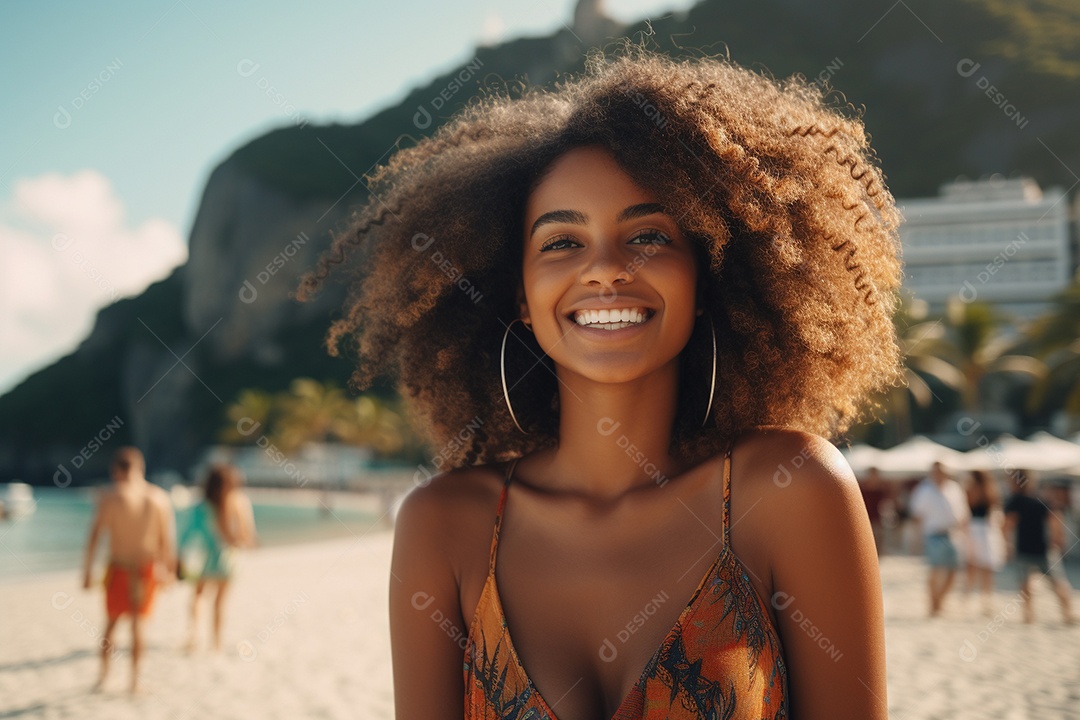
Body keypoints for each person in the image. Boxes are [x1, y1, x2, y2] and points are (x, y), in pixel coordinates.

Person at [297, 40, 902, 718]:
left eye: (648, 236)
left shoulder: (792, 491)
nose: (607, 268)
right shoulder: (443, 527)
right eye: (562, 242)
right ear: (521, 297)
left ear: (704, 279)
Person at [81, 446, 176, 693]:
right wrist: (168, 572)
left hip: (119, 568)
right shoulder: (159, 498)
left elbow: (95, 536)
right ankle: (135, 681)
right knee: (139, 626)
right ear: (140, 468)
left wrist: (87, 571)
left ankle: (103, 678)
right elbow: (166, 542)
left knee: (111, 624)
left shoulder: (111, 496)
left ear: (116, 470)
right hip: (146, 570)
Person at [178, 464, 257, 652]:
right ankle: (216, 643)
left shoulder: (202, 505)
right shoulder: (240, 502)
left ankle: (194, 635)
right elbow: (247, 536)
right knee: (220, 604)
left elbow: (187, 534)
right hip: (229, 559)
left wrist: (179, 556)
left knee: (198, 596)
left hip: (205, 558)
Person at [1003, 469, 1074, 625]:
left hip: (1025, 548)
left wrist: (1006, 544)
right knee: (1057, 582)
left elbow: (1007, 524)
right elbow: (1055, 518)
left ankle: (1028, 616)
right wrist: (1057, 539)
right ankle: (1068, 614)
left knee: (1025, 583)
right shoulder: (1040, 498)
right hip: (1044, 547)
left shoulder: (1016, 501)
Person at [909, 461, 970, 617]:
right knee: (935, 570)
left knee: (953, 570)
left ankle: (939, 601)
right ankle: (933, 605)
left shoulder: (954, 488)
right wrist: (916, 539)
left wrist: (965, 534)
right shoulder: (925, 489)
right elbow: (917, 515)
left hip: (952, 533)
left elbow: (963, 511)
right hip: (933, 534)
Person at [961, 469, 1006, 617]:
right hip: (986, 530)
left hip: (976, 529)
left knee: (973, 567)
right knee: (984, 569)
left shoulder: (972, 490)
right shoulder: (991, 490)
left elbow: (966, 509)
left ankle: (969, 600)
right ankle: (985, 602)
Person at [859, 467, 891, 555]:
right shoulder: (862, 489)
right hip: (865, 520)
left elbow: (885, 505)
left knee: (877, 540)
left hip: (877, 520)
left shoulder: (881, 490)